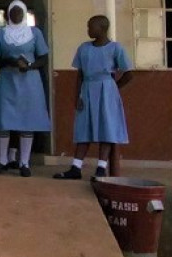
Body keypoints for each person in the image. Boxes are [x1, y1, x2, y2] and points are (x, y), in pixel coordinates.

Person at [55, 15, 132, 180]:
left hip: (107, 90)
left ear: (102, 28)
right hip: (88, 89)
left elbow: (129, 73)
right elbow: (80, 75)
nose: (88, 30)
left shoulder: (116, 48)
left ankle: (101, 168)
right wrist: (77, 96)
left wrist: (113, 87)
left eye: (91, 27)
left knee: (107, 128)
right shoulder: (84, 48)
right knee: (84, 127)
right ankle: (76, 167)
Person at [0, 0, 50, 178]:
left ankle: (24, 162)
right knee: (3, 120)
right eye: (12, 12)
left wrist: (29, 65)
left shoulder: (35, 33)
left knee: (27, 121)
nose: (16, 15)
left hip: (29, 81)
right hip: (7, 80)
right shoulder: (1, 34)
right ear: (8, 14)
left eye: (19, 12)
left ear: (24, 13)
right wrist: (10, 62)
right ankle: (2, 160)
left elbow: (43, 57)